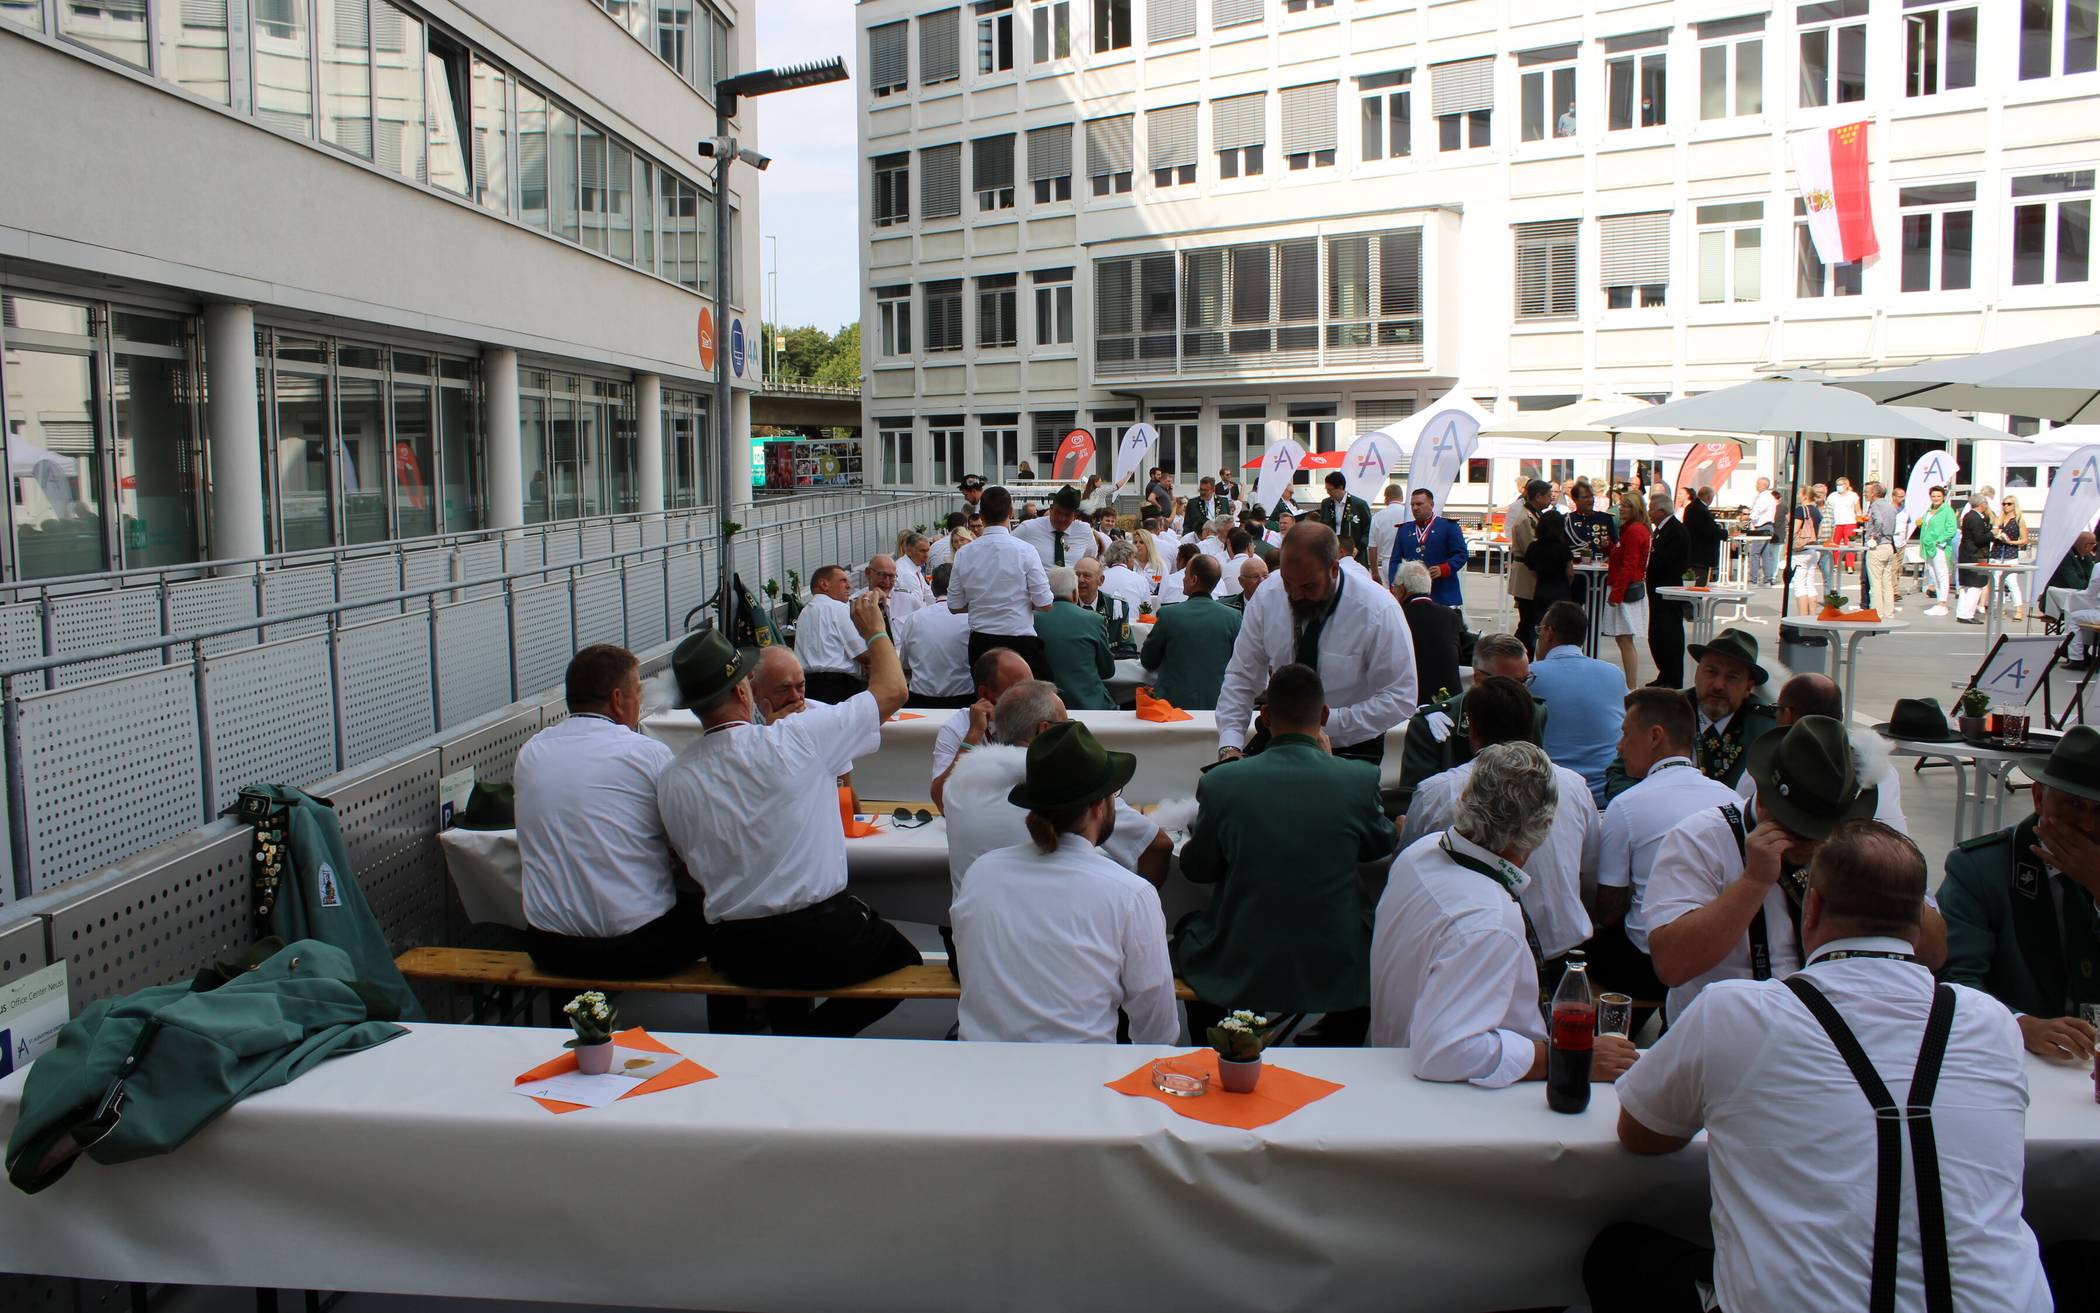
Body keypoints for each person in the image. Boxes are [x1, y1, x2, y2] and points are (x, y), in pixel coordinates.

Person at [1591, 821, 2053, 1313]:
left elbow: (1642, 1133)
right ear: (1918, 925)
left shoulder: (1734, 1010)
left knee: (1617, 1256)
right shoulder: (1991, 1021)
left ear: (1810, 909)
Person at [656, 605, 923, 1037]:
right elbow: (893, 689)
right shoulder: (797, 738)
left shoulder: (672, 777)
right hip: (820, 937)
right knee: (905, 961)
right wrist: (876, 630)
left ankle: (790, 1039)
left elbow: (688, 864)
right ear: (744, 691)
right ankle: (810, 1040)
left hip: (736, 946)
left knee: (781, 970)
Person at [1643, 715, 1946, 1023]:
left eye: (1823, 830)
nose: (1812, 843)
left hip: (1833, 1031)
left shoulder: (1864, 845)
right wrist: (1753, 882)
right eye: (1798, 829)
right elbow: (1672, 966)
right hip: (1731, 1030)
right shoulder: (1700, 839)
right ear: (1763, 800)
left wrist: (1884, 880)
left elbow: (1934, 955)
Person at [1369, 741, 1640, 1085]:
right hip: (1462, 1101)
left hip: (1390, 1066)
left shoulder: (1419, 854)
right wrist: (1568, 1057)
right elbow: (1445, 1053)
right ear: (1545, 826)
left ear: (1465, 798)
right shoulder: (1490, 921)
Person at [1177, 664, 1397, 1046]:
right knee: (1375, 941)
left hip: (1240, 955)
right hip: (1336, 958)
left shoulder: (1221, 782)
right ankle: (1336, 1042)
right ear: (1324, 715)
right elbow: (1378, 847)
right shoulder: (1358, 779)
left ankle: (1214, 1045)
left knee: (1186, 932)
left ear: (1263, 718)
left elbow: (1197, 869)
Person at [950, 721, 1180, 1044]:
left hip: (978, 1068)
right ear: (1098, 806)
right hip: (1082, 1072)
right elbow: (1159, 1032)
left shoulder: (981, 873)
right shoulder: (1130, 894)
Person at [516, 644, 695, 978]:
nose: (639, 702)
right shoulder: (647, 754)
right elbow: (686, 844)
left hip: (549, 947)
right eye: (637, 692)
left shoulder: (531, 753)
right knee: (718, 916)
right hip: (635, 947)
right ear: (617, 699)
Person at [1398, 676, 1597, 974]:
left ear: (1473, 730)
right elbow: (1590, 873)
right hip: (1535, 946)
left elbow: (1411, 879)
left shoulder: (1436, 792)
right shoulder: (1574, 785)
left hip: (1482, 953)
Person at [1938, 725, 2100, 1062]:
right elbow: (1954, 977)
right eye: (2073, 805)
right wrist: (2019, 1024)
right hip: (2019, 1057)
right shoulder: (1980, 868)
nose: (2088, 826)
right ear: (2039, 797)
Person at [1585, 688, 1743, 1014]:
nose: (1620, 745)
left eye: (1626, 734)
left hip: (1650, 966)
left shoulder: (1626, 806)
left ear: (1655, 736)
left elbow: (1609, 911)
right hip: (1721, 959)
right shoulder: (1732, 799)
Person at [1214, 522, 1418, 766]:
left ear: (1334, 569)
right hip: (1280, 742)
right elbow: (1241, 677)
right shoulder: (1268, 595)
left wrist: (1324, 724)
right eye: (1287, 582)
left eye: (1308, 585)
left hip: (1352, 749)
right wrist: (1230, 745)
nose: (1295, 594)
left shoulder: (1377, 609)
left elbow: (1400, 696)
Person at [942, 681, 1169, 898]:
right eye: (1066, 724)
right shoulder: (1069, 779)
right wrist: (1137, 903)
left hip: (975, 920)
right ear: (1044, 729)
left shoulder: (956, 785)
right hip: (1054, 920)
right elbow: (1157, 845)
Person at [1608, 626, 1780, 801]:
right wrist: (1648, 804)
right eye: (1711, 672)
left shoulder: (1765, 726)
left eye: (1732, 677)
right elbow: (1619, 774)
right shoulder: (1666, 709)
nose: (1718, 685)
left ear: (1748, 687)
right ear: (1697, 674)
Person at [1393, 632, 1543, 813]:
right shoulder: (1435, 724)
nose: (1522, 692)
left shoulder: (1534, 713)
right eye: (1511, 683)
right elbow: (1415, 803)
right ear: (1479, 678)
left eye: (1525, 680)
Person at [1753, 672, 1909, 834]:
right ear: (1840, 717)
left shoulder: (1768, 768)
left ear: (1787, 715)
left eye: (1776, 709)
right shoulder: (1885, 772)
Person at [1525, 600, 1627, 806]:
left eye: (1539, 631)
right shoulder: (1614, 674)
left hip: (1551, 797)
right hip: (1606, 795)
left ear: (1549, 633)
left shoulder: (1529, 676)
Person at [947, 484, 1053, 676]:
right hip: (1020, 641)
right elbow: (1045, 603)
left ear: (981, 515)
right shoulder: (1026, 551)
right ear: (1011, 512)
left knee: (986, 694)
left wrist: (984, 604)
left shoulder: (964, 553)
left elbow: (954, 606)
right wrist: (1015, 602)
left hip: (981, 642)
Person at [928, 646, 1033, 802]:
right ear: (985, 693)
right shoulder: (958, 727)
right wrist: (974, 734)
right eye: (1019, 689)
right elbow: (940, 799)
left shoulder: (1042, 718)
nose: (1031, 696)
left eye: (1033, 686)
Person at [1138, 553, 1240, 709]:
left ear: (1194, 580)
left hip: (1173, 705)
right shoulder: (1233, 617)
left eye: (1185, 574)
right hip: (1217, 702)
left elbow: (1148, 660)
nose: (1183, 579)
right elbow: (1239, 663)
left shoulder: (1168, 615)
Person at [1033, 565, 1116, 711]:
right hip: (1090, 704)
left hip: (1044, 706)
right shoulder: (1094, 619)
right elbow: (1107, 670)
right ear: (1074, 594)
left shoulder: (1033, 619)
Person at [896, 566, 973, 708]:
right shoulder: (971, 619)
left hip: (920, 701)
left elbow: (905, 665)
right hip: (963, 700)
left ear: (932, 588)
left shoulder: (914, 619)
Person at [795, 564, 871, 705]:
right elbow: (862, 654)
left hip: (809, 687)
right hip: (840, 687)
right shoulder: (838, 608)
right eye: (843, 580)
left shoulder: (804, 613)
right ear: (824, 584)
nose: (849, 586)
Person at [1385, 488, 1468, 605]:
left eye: (1419, 504)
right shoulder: (1404, 529)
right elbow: (1395, 560)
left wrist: (1444, 569)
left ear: (1431, 505)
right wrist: (1394, 584)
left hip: (1443, 594)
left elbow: (1461, 554)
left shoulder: (1448, 526)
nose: (1415, 508)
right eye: (1412, 505)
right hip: (1412, 595)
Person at [1395, 560, 1462, 704]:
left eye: (1395, 587)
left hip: (1414, 701)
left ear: (1402, 589)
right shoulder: (1449, 615)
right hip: (1450, 700)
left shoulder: (1399, 616)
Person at [1601, 491, 1650, 688]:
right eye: (1621, 505)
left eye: (1626, 506)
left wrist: (1617, 593)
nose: (1621, 508)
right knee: (1623, 639)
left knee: (1625, 639)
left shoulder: (1634, 531)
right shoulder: (1632, 529)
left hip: (1626, 589)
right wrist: (1611, 547)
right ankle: (1630, 685)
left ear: (1636, 509)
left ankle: (1631, 686)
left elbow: (1629, 565)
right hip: (1625, 587)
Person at [1643, 491, 1690, 688]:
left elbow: (1666, 560)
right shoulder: (1663, 530)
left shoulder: (1675, 531)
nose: (1649, 513)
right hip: (1658, 590)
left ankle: (1672, 677)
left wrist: (1649, 564)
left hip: (1668, 591)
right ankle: (1665, 673)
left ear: (1662, 511)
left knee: (1669, 633)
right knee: (1658, 634)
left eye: (1651, 509)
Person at [1507, 478, 1552, 654]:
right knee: (1528, 621)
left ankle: (1519, 653)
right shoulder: (1526, 518)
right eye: (1548, 495)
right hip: (1526, 573)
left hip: (1529, 572)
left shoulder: (1533, 515)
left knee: (1531, 621)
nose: (1550, 499)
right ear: (1538, 496)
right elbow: (1531, 549)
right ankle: (1517, 654)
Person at [1013, 483, 1101, 569]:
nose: (1061, 519)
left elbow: (1090, 559)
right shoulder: (1029, 528)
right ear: (1051, 509)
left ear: (1075, 515)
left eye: (1067, 515)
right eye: (1058, 512)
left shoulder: (1084, 531)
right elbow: (1008, 548)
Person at [1074, 557, 1137, 661]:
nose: (1080, 580)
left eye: (1086, 575)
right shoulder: (1066, 605)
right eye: (1077, 575)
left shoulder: (1116, 607)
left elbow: (1127, 647)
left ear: (1101, 580)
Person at [1310, 470, 1373, 556]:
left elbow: (1369, 529)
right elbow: (1322, 527)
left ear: (1340, 487)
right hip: (1332, 550)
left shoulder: (1359, 504)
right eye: (1326, 489)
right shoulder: (1326, 503)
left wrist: (1359, 547)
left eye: (1330, 490)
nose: (1328, 492)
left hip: (1355, 552)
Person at [1862, 479, 1902, 613]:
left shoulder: (1875, 505)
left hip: (1878, 546)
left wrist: (1874, 535)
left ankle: (1877, 612)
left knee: (1876, 583)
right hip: (1889, 545)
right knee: (1887, 583)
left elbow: (1878, 521)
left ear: (1874, 493)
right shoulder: (1891, 507)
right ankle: (1889, 612)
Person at [1919, 484, 1958, 615]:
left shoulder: (1947, 510)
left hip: (1939, 547)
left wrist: (1939, 540)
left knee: (1942, 574)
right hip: (1928, 546)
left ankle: (1943, 603)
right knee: (1933, 574)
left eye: (1938, 496)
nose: (1936, 498)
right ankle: (1939, 602)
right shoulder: (1928, 510)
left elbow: (1951, 529)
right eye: (1933, 496)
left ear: (1943, 497)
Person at [1994, 493, 2029, 622]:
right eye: (2004, 504)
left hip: (2010, 553)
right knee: (1996, 582)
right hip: (1997, 553)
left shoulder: (2019, 520)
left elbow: (2024, 540)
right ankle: (2000, 608)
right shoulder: (1999, 519)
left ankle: (2019, 609)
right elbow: (1993, 532)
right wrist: (1996, 534)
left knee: (2012, 582)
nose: (2006, 506)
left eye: (2009, 504)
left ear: (2014, 505)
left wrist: (2010, 542)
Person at [750, 645, 809, 720]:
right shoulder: (740, 722)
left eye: (800, 686)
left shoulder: (819, 714)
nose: (796, 697)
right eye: (784, 690)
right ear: (754, 691)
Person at [1682, 484, 1724, 585]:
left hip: (1693, 553)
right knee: (1698, 584)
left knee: (1692, 582)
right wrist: (1726, 533)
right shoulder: (1701, 510)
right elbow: (1711, 531)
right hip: (1700, 555)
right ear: (1709, 497)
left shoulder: (1691, 507)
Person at [1367, 484, 1409, 579]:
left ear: (1386, 498)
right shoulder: (1408, 514)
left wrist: (1374, 572)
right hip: (1407, 562)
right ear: (1402, 497)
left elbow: (1372, 547)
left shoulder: (1377, 517)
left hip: (1387, 562)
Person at [1744, 475, 1779, 586]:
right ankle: (1767, 579)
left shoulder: (1764, 497)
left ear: (1762, 485)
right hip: (1768, 526)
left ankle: (1753, 579)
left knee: (1754, 553)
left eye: (1758, 484)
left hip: (1762, 527)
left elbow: (1757, 511)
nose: (1756, 486)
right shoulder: (1769, 497)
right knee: (1765, 554)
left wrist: (1747, 516)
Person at [1825, 473, 1861, 570]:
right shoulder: (1832, 496)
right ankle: (1835, 564)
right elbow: (1828, 509)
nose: (1839, 486)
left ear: (1847, 485)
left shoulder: (1853, 495)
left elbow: (1858, 510)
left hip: (1850, 523)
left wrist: (1860, 520)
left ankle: (1850, 565)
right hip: (1836, 523)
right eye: (1838, 484)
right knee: (1835, 544)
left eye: (1841, 484)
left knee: (1849, 544)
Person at [1184, 475, 1232, 542]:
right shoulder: (1193, 503)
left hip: (1220, 540)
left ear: (1213, 490)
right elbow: (1187, 525)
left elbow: (1229, 522)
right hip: (1199, 540)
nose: (1202, 492)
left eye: (1205, 490)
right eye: (1201, 489)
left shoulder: (1224, 501)